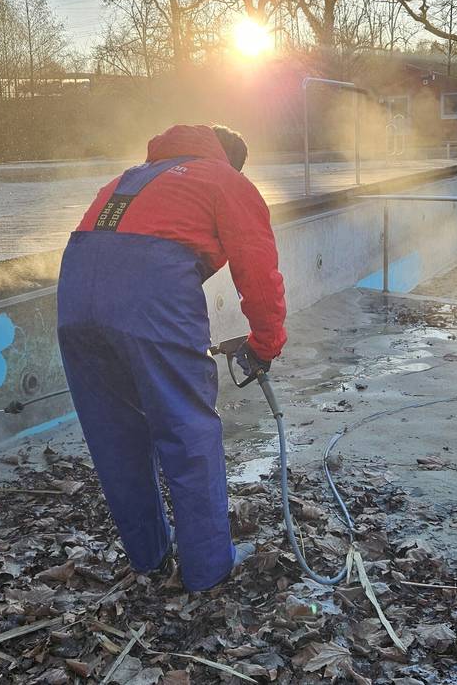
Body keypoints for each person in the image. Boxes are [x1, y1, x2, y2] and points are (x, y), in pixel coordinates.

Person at [56, 124, 287, 591]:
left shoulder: (127, 179)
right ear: (230, 161)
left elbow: (103, 243)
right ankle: (208, 569)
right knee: (188, 432)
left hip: (74, 295)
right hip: (150, 294)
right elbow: (258, 273)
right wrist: (265, 344)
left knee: (115, 436)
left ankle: (149, 558)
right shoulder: (225, 180)